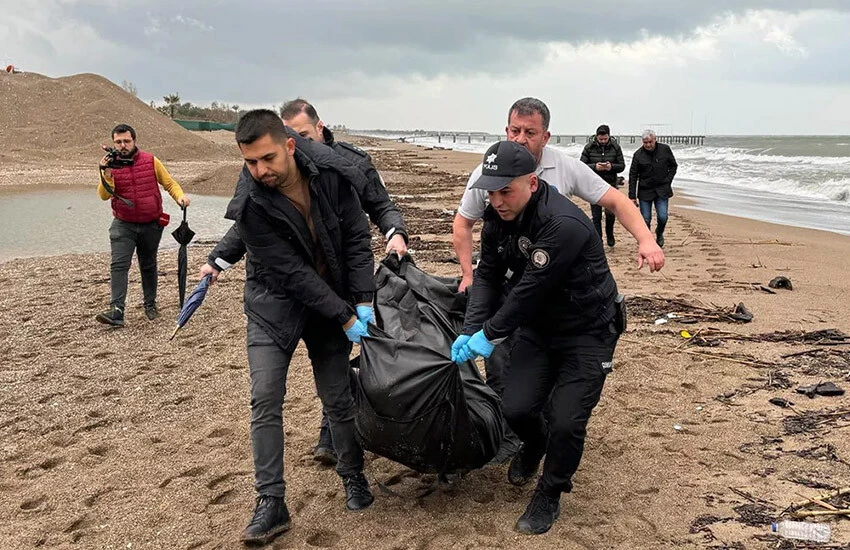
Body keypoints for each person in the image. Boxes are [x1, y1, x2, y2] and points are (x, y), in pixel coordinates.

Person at [203, 110, 376, 545]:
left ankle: (353, 475)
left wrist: (363, 300)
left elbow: (356, 237)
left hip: (331, 304)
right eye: (250, 163)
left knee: (337, 397)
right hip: (272, 306)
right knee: (265, 399)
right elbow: (293, 274)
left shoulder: (334, 175)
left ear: (290, 146)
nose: (260, 171)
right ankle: (271, 501)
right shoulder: (250, 204)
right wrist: (346, 315)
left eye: (267, 159)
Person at [451, 141, 625, 535]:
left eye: (505, 190)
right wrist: (468, 331)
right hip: (539, 329)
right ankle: (535, 443)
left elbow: (530, 289)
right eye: (490, 191)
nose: (496, 201)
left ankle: (550, 492)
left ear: (533, 182)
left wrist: (489, 335)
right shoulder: (499, 218)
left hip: (589, 331)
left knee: (566, 420)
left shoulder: (561, 223)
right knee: (515, 408)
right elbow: (490, 277)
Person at [281, 98, 408, 257]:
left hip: (344, 258)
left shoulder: (354, 161)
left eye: (303, 135)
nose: (299, 144)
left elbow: (381, 206)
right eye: (292, 138)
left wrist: (396, 234)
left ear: (319, 127)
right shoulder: (278, 167)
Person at [95, 124, 190, 327]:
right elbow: (103, 195)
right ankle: (117, 310)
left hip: (151, 224)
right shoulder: (109, 165)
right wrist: (107, 174)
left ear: (134, 141)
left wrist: (180, 197)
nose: (122, 145)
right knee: (119, 265)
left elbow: (169, 183)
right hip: (123, 224)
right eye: (118, 142)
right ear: (113, 143)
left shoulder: (150, 160)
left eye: (126, 141)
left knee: (148, 264)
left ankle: (150, 304)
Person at [628, 129, 678, 248]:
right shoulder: (638, 155)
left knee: (662, 217)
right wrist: (632, 196)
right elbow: (633, 176)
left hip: (662, 189)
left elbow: (673, 166)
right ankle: (648, 241)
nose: (648, 145)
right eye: (645, 142)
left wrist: (667, 181)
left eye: (650, 142)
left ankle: (659, 233)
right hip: (645, 191)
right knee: (645, 219)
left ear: (655, 140)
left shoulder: (665, 149)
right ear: (642, 142)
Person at [580, 124, 625, 247]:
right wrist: (595, 166)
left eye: (605, 139)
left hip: (610, 185)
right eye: (601, 139)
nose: (603, 141)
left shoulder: (616, 148)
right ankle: (598, 240)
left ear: (609, 136)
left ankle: (610, 234)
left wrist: (611, 167)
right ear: (596, 137)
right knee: (596, 216)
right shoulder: (589, 148)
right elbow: (581, 166)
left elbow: (622, 166)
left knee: (610, 214)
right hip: (593, 185)